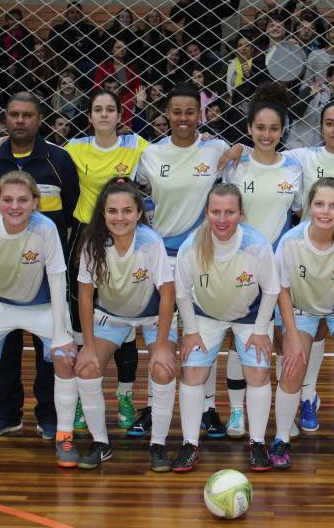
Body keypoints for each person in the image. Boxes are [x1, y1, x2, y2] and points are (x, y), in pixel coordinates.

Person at [0, 91, 79, 439]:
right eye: (14, 114)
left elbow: (71, 209)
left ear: (39, 119)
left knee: (50, 353)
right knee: (3, 350)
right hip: (3, 273)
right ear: (5, 118)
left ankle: (48, 416)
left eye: (27, 115)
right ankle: (5, 414)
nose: (20, 121)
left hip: (47, 275)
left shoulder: (59, 160)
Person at [0, 171, 76, 467]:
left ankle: (64, 435)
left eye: (23, 199)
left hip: (43, 305)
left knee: (64, 357)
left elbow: (58, 280)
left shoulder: (45, 229)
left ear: (35, 201)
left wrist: (60, 335)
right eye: (7, 200)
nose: (15, 206)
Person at [134, 84, 231, 438]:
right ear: (167, 115)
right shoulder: (150, 155)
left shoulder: (217, 148)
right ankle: (150, 405)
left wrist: (239, 147)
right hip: (161, 256)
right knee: (158, 333)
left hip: (201, 256)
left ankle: (207, 408)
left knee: (201, 331)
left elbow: (252, 154)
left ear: (199, 114)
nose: (184, 118)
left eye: (190, 111)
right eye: (177, 112)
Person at [173, 183, 280, 472]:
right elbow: (181, 292)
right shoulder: (192, 246)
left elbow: (271, 289)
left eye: (229, 212)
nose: (222, 219)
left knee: (257, 371)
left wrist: (260, 331)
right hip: (206, 315)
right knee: (192, 371)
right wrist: (191, 331)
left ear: (241, 214)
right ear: (206, 212)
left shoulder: (256, 245)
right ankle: (190, 444)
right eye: (216, 212)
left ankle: (257, 442)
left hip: (250, 316)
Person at [272, 177, 334, 469]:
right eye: (319, 204)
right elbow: (282, 289)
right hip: (301, 307)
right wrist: (291, 335)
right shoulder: (292, 241)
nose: (325, 211)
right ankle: (281, 439)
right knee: (293, 364)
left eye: (333, 205)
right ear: (309, 207)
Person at [64, 90, 150, 433]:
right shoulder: (74, 148)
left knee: (123, 320)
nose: (103, 114)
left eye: (110, 109)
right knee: (80, 318)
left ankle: (125, 395)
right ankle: (85, 399)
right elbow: (41, 156)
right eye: (97, 109)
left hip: (126, 235)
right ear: (90, 116)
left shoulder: (136, 145)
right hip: (87, 235)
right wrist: (1, 146)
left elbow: (175, 150)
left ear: (119, 114)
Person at [73, 178, 175, 469]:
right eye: (113, 211)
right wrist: (88, 346)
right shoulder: (93, 244)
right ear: (103, 214)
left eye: (127, 211)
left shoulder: (150, 242)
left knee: (163, 368)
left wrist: (164, 345)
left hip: (153, 315)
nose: (120, 218)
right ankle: (101, 442)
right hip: (112, 316)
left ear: (139, 213)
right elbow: (84, 296)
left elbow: (168, 294)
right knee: (87, 366)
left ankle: (158, 445)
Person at [222, 84, 301, 438]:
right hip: (240, 267)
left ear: (281, 131)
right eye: (260, 128)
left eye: (273, 128)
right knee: (242, 340)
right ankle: (237, 412)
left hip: (280, 270)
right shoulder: (236, 166)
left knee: (280, 339)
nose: (266, 134)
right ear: (250, 129)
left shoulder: (295, 169)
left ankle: (286, 413)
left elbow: (299, 214)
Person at [170, 0, 242, 57]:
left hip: (212, 49)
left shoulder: (219, 3)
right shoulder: (190, 1)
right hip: (192, 49)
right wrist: (181, 4)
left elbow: (232, 10)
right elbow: (174, 18)